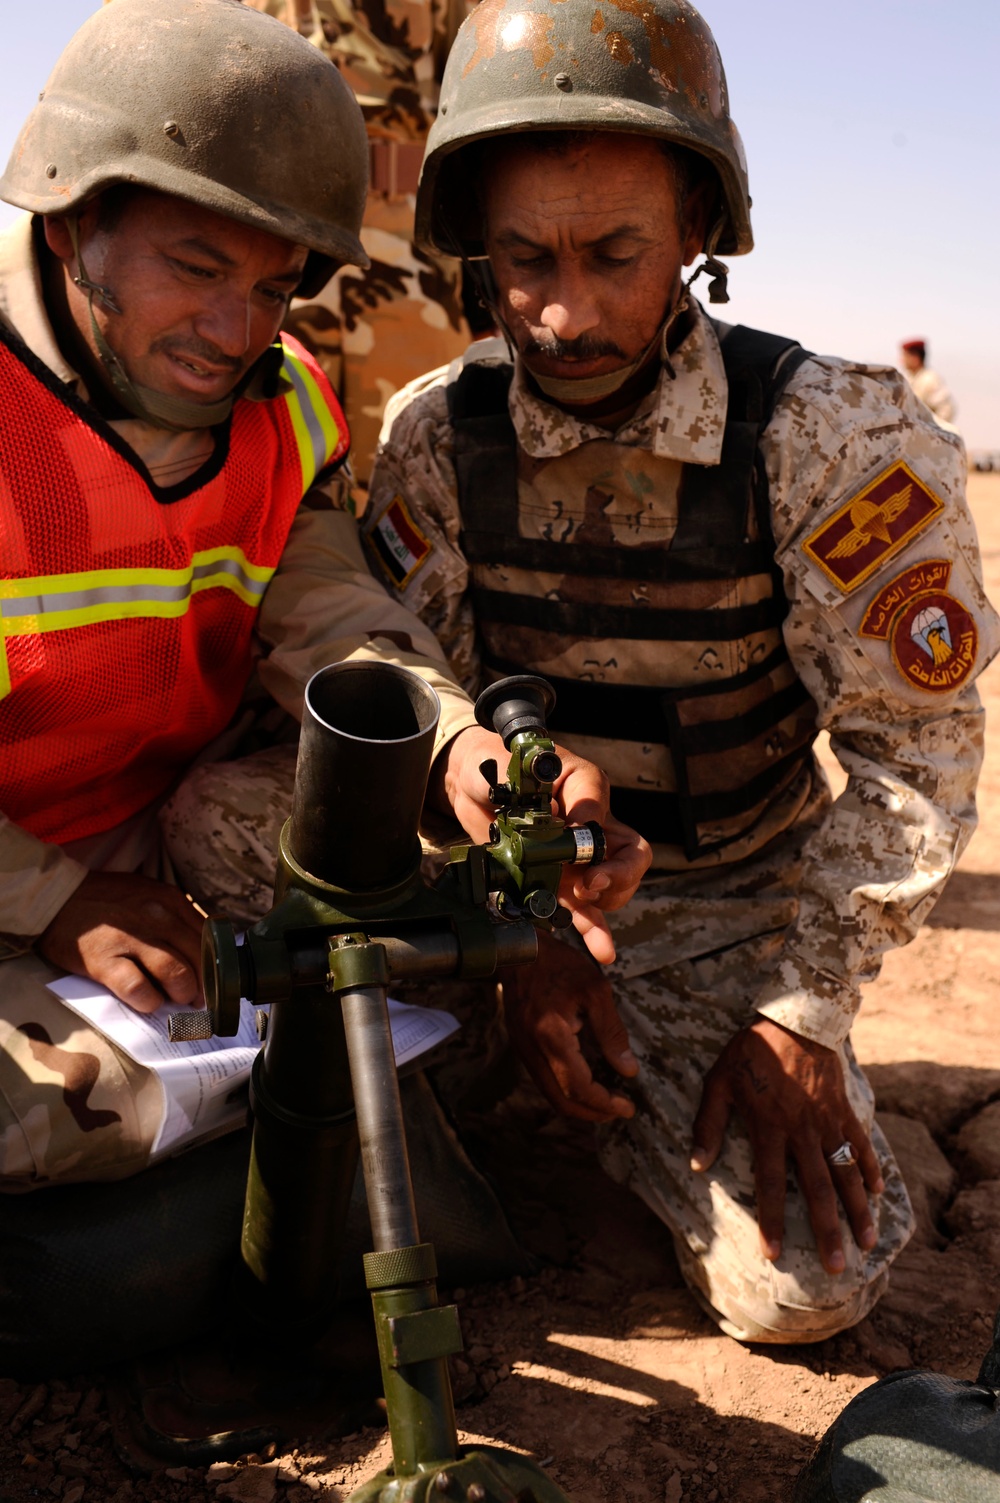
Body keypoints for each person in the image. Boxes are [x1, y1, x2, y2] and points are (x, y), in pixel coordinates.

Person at [363, 0, 1000, 1344]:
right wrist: (528, 930)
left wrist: (799, 1007)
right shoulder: (434, 438)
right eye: (524, 256)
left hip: (737, 908)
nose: (562, 309)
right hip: (508, 899)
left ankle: (702, 1076)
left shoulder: (829, 438)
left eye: (614, 253)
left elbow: (917, 759)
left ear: (701, 232)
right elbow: (429, 717)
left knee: (805, 1292)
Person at [0, 0, 645, 1194]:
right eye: (194, 269)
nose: (231, 331)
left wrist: (453, 741)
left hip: (138, 846)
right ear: (78, 218)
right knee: (50, 1115)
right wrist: (50, 897)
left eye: (274, 288)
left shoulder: (284, 400)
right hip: (32, 869)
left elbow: (328, 612)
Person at [239, 0, 478, 496]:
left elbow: (487, 80)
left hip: (412, 272)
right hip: (259, 251)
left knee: (420, 484)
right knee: (263, 478)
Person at [900, 338, 957, 427]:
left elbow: (946, 409)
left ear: (915, 358)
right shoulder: (910, 379)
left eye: (905, 356)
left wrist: (934, 431)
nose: (902, 361)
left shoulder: (930, 379)